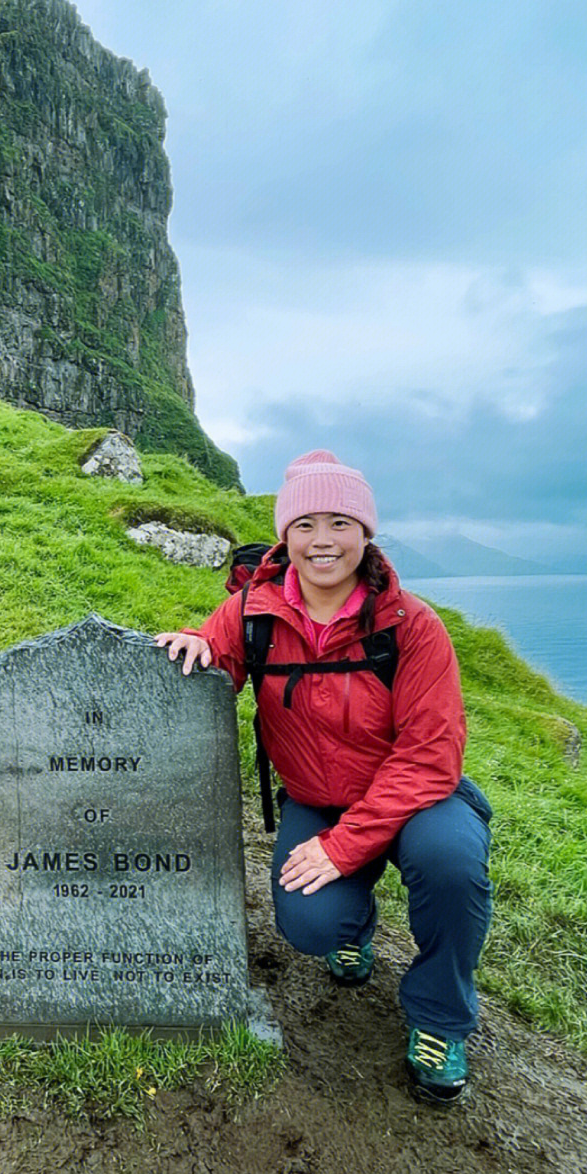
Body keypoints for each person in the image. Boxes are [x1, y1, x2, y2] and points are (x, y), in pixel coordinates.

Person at [156, 450, 492, 1104]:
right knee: (310, 924)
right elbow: (214, 668)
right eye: (305, 523)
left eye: (340, 522)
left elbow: (430, 756)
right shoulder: (253, 611)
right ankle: (353, 931)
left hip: (419, 800)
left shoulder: (413, 626)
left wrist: (344, 847)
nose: (322, 541)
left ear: (366, 534)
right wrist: (195, 647)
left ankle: (439, 1017)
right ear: (286, 534)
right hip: (318, 799)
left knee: (451, 863)